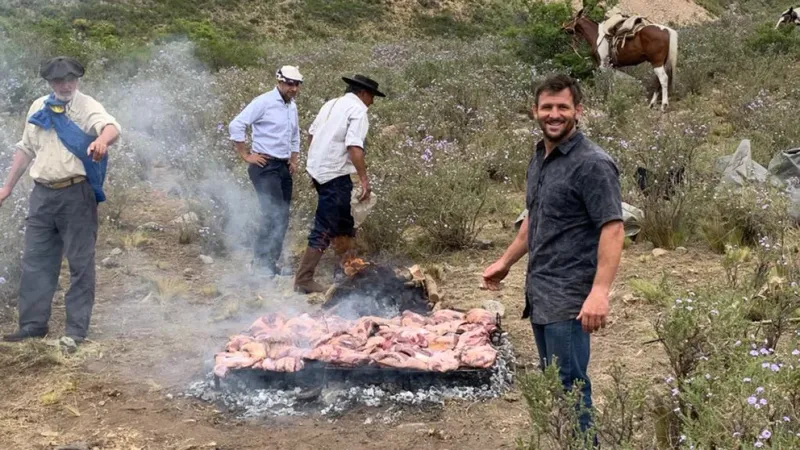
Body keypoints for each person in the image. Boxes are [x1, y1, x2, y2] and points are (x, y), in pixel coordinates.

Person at [482, 74, 624, 441]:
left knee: (571, 385)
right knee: (556, 384)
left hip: (571, 297)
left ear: (578, 111)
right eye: (547, 107)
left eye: (563, 107)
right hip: (540, 292)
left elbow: (612, 229)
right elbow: (535, 219)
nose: (554, 114)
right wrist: (505, 261)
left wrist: (600, 292)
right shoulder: (540, 157)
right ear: (535, 111)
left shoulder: (592, 164)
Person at [0, 56, 122, 343]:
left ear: (77, 80)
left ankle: (75, 332)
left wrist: (102, 140)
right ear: (49, 83)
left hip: (76, 194)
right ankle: (32, 326)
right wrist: (6, 188)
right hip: (41, 194)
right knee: (36, 260)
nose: (65, 85)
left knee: (80, 263)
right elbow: (26, 150)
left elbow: (111, 127)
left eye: (70, 79)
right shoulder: (38, 107)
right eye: (58, 81)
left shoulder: (86, 105)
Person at [293, 75, 385, 294]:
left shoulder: (331, 104)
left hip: (321, 170)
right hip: (335, 173)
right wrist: (364, 178)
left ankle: (347, 270)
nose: (372, 102)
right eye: (371, 97)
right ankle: (303, 279)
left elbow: (311, 135)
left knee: (344, 222)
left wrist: (315, 163)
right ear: (363, 93)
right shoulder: (358, 110)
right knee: (325, 226)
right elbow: (354, 146)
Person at [228, 66, 303, 276]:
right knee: (272, 214)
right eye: (290, 83)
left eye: (297, 84)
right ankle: (260, 264)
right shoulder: (264, 102)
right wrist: (245, 155)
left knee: (283, 216)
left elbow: (295, 134)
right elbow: (236, 125)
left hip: (283, 166)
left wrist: (294, 158)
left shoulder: (292, 106)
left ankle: (270, 263)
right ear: (279, 81)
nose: (294, 88)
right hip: (264, 165)